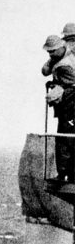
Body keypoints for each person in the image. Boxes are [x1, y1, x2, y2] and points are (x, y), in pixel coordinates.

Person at [43, 35, 75, 181]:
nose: (51, 54)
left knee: (65, 139)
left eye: (52, 51)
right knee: (65, 138)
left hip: (70, 105)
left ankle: (64, 174)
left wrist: (56, 86)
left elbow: (69, 84)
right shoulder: (65, 57)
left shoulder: (65, 65)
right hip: (66, 106)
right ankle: (67, 174)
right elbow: (44, 70)